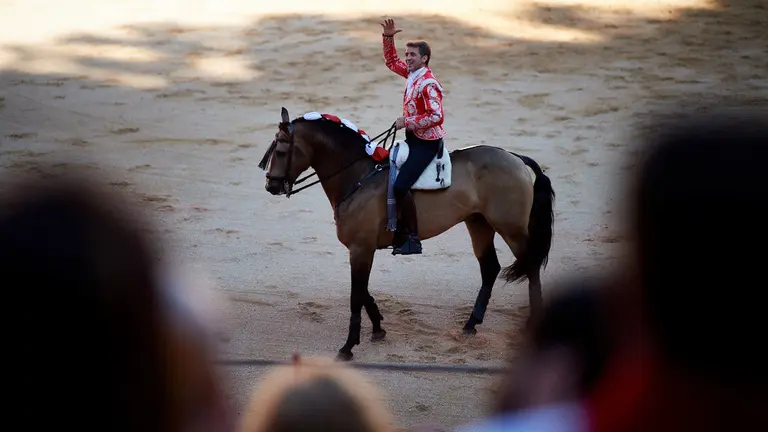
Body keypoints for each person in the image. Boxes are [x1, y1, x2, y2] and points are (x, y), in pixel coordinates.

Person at [380, 18, 446, 255]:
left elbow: (436, 116)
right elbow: (391, 62)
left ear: (424, 58)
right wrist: (388, 38)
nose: (407, 58)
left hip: (426, 144)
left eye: (412, 55)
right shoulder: (412, 75)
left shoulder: (428, 84)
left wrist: (407, 122)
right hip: (413, 139)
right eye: (407, 54)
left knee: (400, 185)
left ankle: (413, 238)